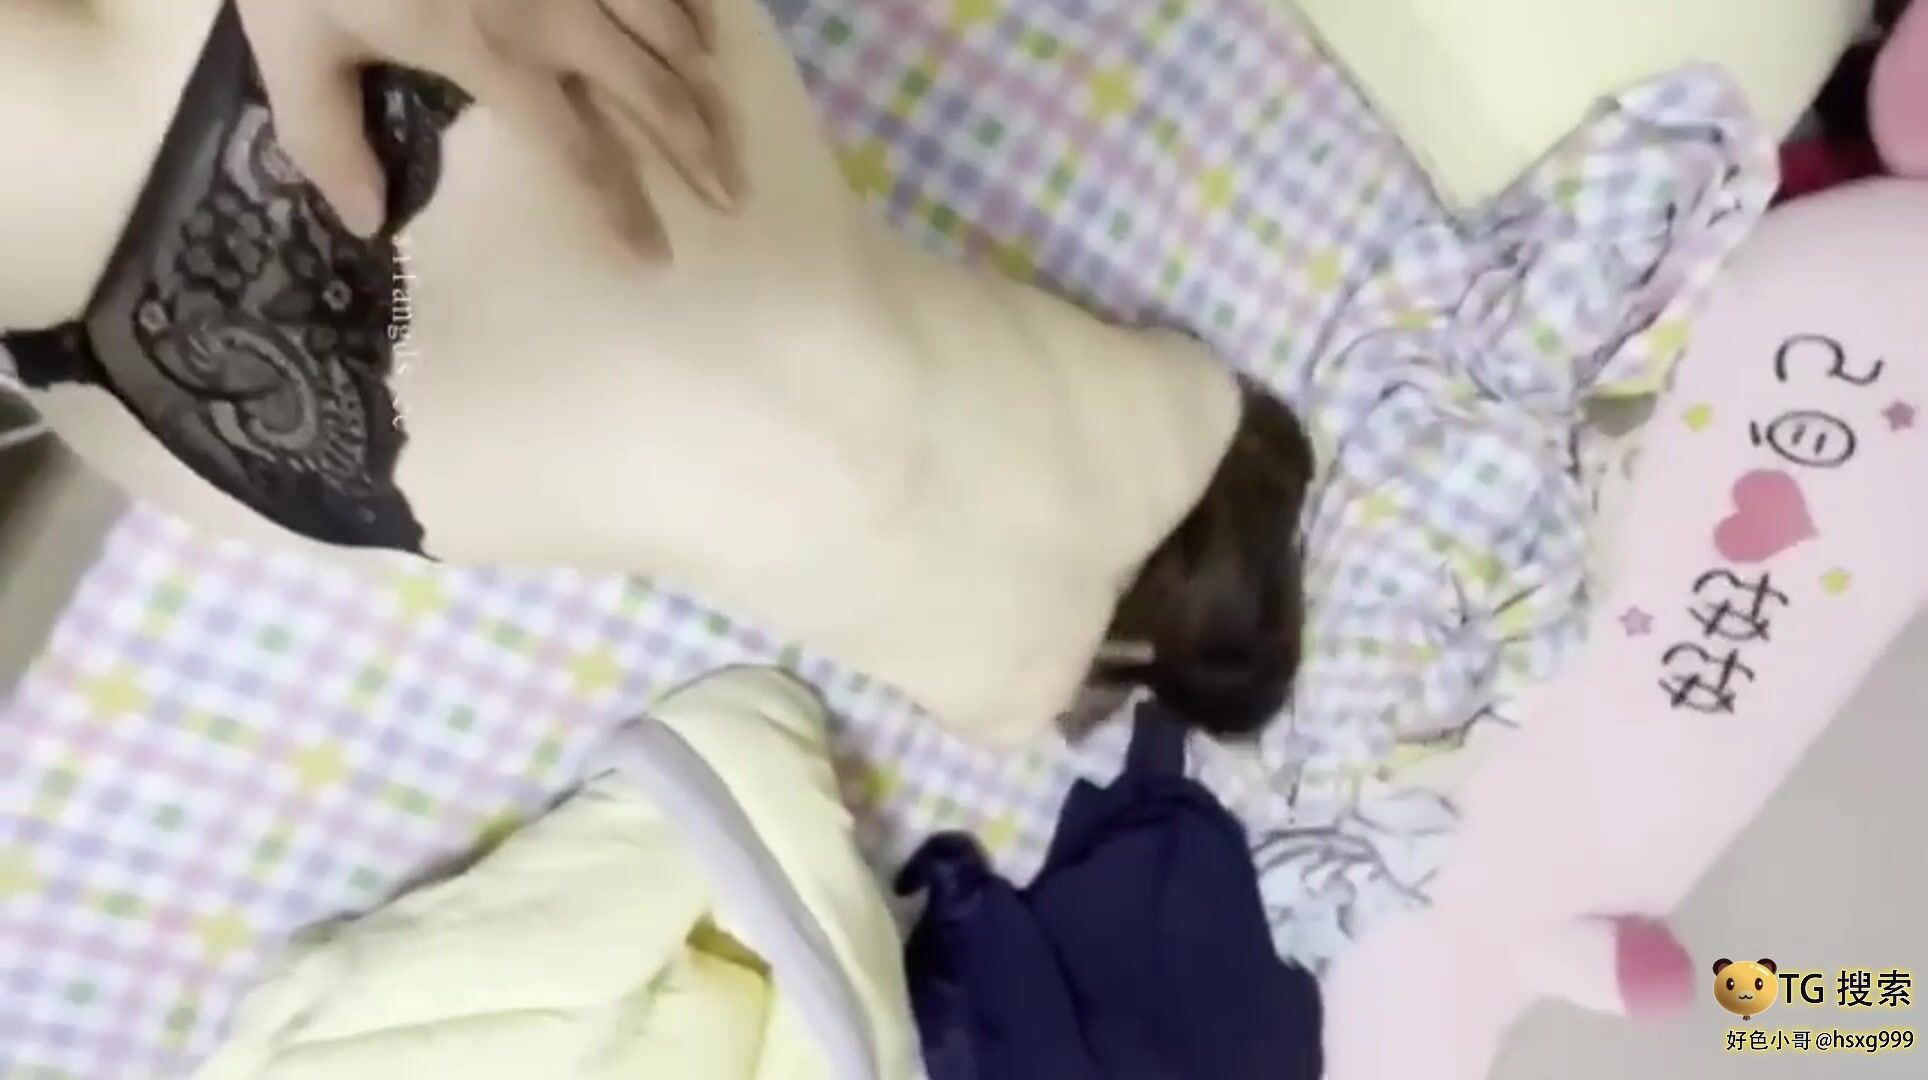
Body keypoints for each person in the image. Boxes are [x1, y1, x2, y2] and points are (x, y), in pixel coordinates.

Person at [0, 0, 1312, 748]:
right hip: (254, 103)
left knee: (802, 473)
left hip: (132, 380)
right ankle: (1092, 494)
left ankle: (1011, 615)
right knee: (844, 406)